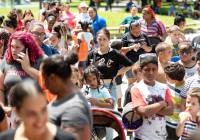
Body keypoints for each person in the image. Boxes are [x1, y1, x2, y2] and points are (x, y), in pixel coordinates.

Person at [0, 79, 77, 140]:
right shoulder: (5, 138)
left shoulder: (66, 138)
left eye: (43, 110)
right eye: (31, 113)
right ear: (17, 113)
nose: (40, 119)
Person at [41, 51, 92, 140]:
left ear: (53, 78)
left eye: (44, 79)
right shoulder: (63, 99)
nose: (44, 83)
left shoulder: (74, 107)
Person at [131, 53, 174, 140]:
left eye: (154, 69)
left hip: (161, 136)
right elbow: (142, 111)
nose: (150, 73)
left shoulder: (164, 87)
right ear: (140, 70)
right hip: (142, 137)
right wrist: (162, 104)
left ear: (157, 69)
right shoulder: (136, 89)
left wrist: (149, 109)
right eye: (147, 69)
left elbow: (170, 110)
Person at [0, 31, 46, 107]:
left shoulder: (42, 60)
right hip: (11, 112)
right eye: (12, 46)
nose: (13, 50)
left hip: (34, 111)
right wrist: (2, 107)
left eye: (18, 47)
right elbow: (1, 89)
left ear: (28, 48)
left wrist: (27, 68)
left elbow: (46, 82)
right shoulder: (7, 61)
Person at [121, 21, 152, 87]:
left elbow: (150, 48)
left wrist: (145, 48)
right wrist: (131, 47)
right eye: (135, 32)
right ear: (130, 29)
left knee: (143, 81)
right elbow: (121, 49)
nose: (138, 33)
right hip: (130, 62)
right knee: (132, 82)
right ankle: (130, 95)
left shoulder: (144, 35)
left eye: (139, 31)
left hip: (143, 62)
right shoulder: (125, 36)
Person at [164, 63, 186, 140]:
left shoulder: (187, 89)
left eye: (167, 78)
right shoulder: (170, 83)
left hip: (176, 125)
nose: (165, 78)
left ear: (175, 80)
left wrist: (176, 105)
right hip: (165, 122)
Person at [110, 41, 124, 108]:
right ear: (120, 49)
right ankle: (119, 107)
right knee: (119, 94)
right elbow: (122, 71)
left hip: (108, 79)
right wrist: (121, 78)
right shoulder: (120, 57)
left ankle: (111, 107)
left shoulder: (108, 55)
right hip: (117, 79)